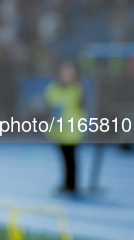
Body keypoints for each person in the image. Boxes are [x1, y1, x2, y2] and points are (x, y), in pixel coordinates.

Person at [44, 60, 86, 194]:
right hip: (59, 131)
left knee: (71, 158)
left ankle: (72, 185)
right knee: (64, 158)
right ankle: (66, 183)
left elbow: (82, 108)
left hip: (73, 131)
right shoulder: (53, 88)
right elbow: (49, 108)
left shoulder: (77, 89)